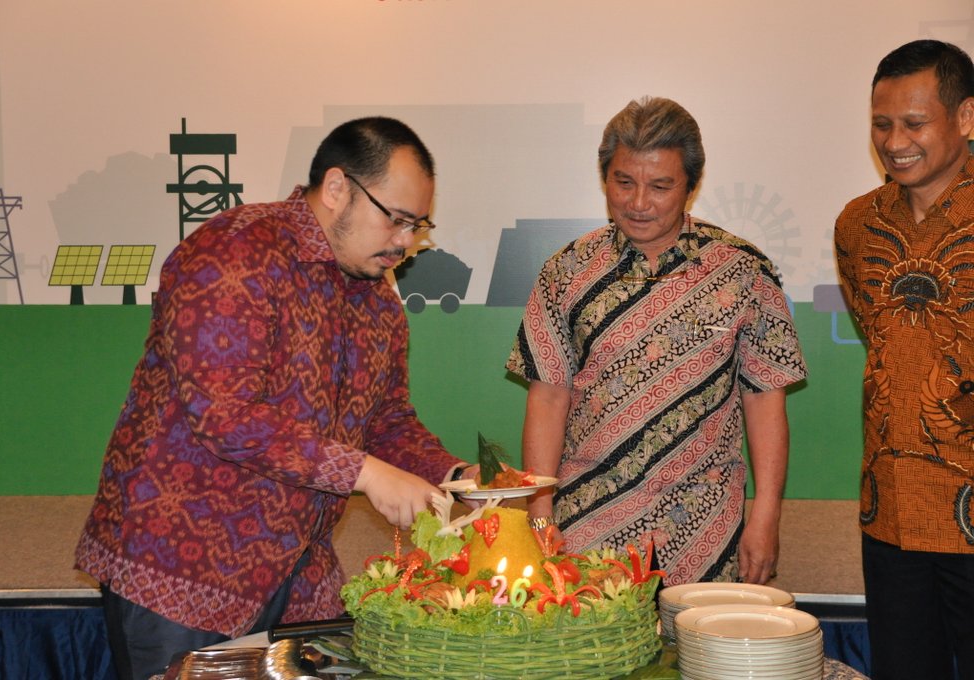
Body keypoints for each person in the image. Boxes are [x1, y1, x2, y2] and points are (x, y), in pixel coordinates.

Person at [74, 116, 476, 680]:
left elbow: (387, 421)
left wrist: (459, 475)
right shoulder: (234, 253)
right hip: (181, 566)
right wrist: (366, 473)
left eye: (419, 226)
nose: (407, 242)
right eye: (398, 220)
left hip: (299, 571)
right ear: (338, 189)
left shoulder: (378, 298)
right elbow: (225, 414)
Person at [506, 96, 807, 587]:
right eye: (623, 182)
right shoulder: (566, 271)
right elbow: (548, 396)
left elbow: (764, 398)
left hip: (705, 529)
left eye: (660, 186)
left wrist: (766, 515)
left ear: (691, 185)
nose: (638, 202)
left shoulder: (743, 271)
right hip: (587, 526)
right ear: (605, 177)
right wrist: (540, 513)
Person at [834, 40, 974, 680]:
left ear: (966, 118)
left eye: (914, 123)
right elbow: (885, 340)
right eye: (881, 124)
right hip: (890, 518)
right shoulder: (857, 224)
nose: (895, 141)